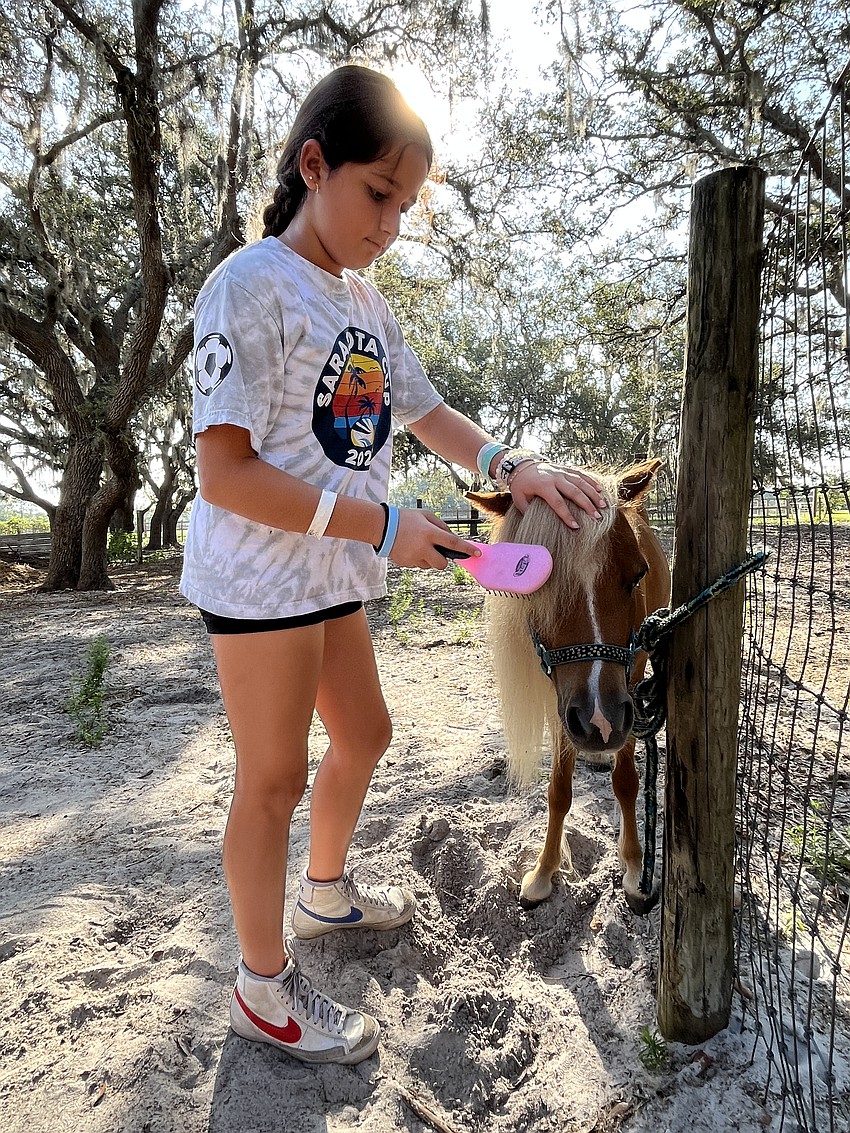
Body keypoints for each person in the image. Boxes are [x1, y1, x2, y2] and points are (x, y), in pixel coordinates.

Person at [180, 63, 608, 1066]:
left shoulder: (365, 303)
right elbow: (225, 475)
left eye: (406, 205)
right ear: (313, 164)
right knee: (273, 777)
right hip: (260, 577)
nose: (391, 222)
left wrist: (515, 467)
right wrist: (378, 525)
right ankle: (262, 983)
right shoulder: (247, 286)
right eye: (379, 194)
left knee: (365, 732)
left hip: (331, 570)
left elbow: (424, 413)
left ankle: (324, 895)